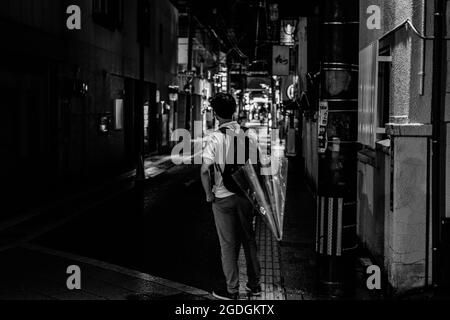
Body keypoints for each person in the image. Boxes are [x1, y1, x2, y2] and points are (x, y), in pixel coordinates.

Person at [201, 93, 262, 300]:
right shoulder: (250, 134)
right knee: (249, 240)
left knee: (227, 245)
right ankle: (255, 285)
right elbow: (257, 167)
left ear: (216, 115)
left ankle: (232, 290)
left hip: (222, 198)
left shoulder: (215, 137)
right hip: (245, 196)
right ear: (235, 110)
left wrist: (209, 194)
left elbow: (204, 170)